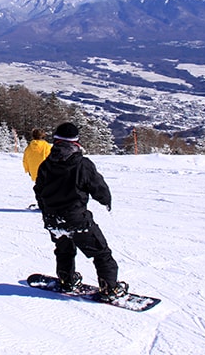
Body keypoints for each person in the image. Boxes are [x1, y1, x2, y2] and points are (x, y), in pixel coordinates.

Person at [33, 122, 127, 301]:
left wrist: (46, 211)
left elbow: (39, 190)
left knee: (63, 248)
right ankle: (110, 288)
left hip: (53, 218)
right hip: (76, 219)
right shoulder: (82, 164)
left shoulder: (46, 164)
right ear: (76, 142)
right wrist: (106, 201)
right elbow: (98, 187)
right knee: (101, 253)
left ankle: (66, 279)